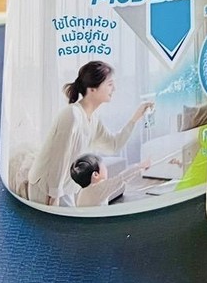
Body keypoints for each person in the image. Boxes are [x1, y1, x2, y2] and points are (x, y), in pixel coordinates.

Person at [24, 61, 154, 206]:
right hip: (46, 187)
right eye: (110, 84)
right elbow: (59, 157)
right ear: (92, 89)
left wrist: (135, 118)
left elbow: (113, 145)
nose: (114, 88)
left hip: (65, 187)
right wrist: (54, 195)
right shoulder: (72, 114)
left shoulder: (93, 120)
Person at [69, 154, 151, 207]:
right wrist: (141, 166)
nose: (106, 169)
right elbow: (121, 178)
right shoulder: (99, 189)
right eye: (103, 166)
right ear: (95, 175)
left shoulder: (81, 192)